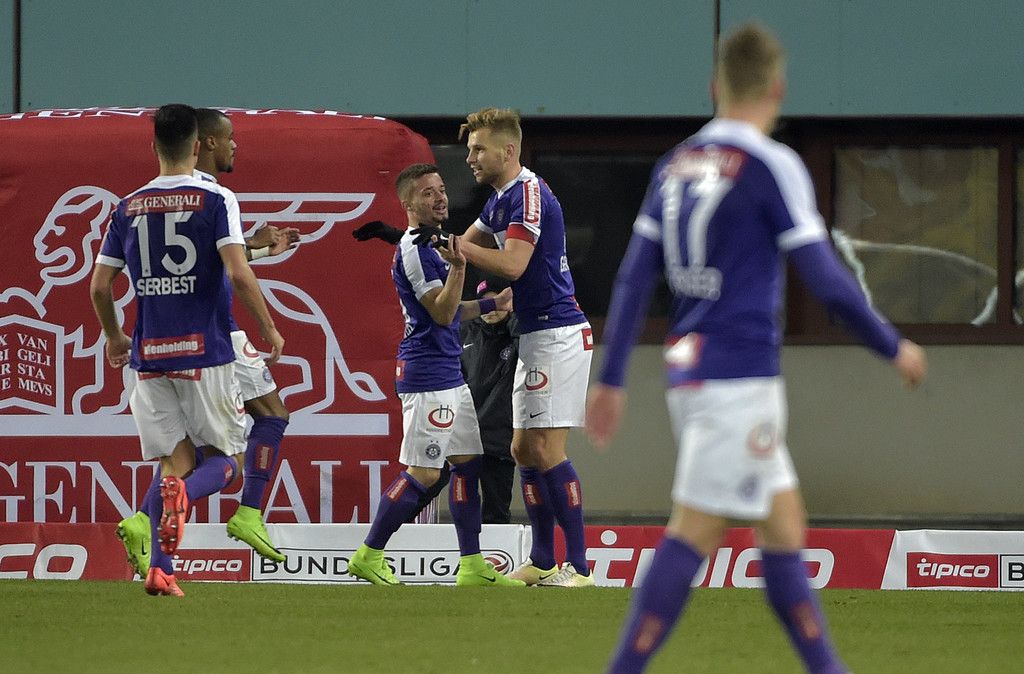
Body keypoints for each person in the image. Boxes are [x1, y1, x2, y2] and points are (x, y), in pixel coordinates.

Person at [585, 24, 927, 672]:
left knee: (784, 526)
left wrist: (613, 378)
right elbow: (826, 280)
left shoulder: (675, 163)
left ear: (714, 87)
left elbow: (633, 277)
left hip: (690, 374)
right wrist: (893, 346)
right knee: (696, 530)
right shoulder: (772, 165)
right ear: (778, 88)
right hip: (738, 380)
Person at [91, 104, 284, 596]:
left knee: (173, 464)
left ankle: (161, 569)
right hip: (205, 353)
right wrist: (269, 329)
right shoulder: (216, 198)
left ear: (154, 146)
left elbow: (99, 286)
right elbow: (238, 272)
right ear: (198, 146)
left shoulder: (126, 206)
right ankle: (185, 497)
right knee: (226, 461)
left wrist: (114, 336)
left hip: (148, 358)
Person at [416, 108, 594, 587]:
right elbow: (459, 245)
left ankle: (579, 567)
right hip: (533, 333)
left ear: (508, 151)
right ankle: (542, 560)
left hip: (558, 333)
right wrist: (417, 244)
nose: (470, 158)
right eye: (470, 149)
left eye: (479, 149)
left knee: (546, 448)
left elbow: (513, 264)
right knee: (521, 448)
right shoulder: (500, 198)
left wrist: (452, 245)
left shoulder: (528, 193)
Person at [347, 163, 522, 587]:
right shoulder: (416, 250)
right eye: (427, 192)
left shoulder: (430, 244)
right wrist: (460, 267)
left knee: (467, 464)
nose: (440, 197)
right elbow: (442, 313)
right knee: (424, 472)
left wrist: (492, 304)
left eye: (441, 189)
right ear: (408, 203)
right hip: (427, 376)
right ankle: (369, 554)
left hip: (448, 374)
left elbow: (452, 310)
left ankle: (472, 564)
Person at [354, 222, 519, 524]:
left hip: (492, 432)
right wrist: (405, 240)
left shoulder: (516, 334)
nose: (441, 200)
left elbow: (458, 256)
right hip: (439, 396)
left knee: (478, 486)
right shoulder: (462, 329)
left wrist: (504, 302)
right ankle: (377, 541)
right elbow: (446, 307)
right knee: (427, 476)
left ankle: (471, 553)